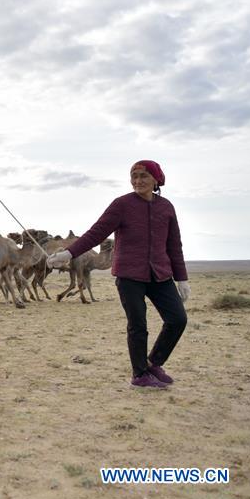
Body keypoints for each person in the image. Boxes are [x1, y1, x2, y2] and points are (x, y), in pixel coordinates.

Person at [47, 160, 189, 389]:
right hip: (129, 275)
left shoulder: (166, 207)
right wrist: (68, 254)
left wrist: (181, 278)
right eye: (134, 176)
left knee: (178, 319)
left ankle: (154, 363)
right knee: (138, 325)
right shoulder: (122, 205)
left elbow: (174, 245)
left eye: (143, 176)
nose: (138, 181)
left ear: (156, 179)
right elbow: (96, 233)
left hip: (160, 274)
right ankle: (140, 375)